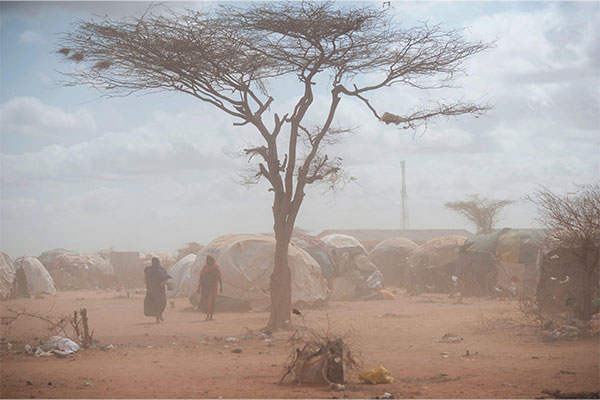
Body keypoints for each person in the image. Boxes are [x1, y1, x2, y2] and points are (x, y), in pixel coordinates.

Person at [144, 257, 170, 323]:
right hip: (159, 291)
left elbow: (145, 279)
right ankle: (158, 317)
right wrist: (167, 279)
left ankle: (158, 316)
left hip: (151, 290)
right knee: (161, 304)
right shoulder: (160, 270)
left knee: (154, 304)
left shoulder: (148, 270)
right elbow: (163, 280)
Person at [197, 255, 223, 321]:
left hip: (213, 287)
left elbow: (219, 278)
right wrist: (198, 287)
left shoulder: (215, 268)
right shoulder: (205, 268)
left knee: (212, 301)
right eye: (207, 260)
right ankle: (207, 315)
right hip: (205, 287)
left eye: (210, 260)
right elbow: (201, 278)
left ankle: (211, 316)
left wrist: (221, 287)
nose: (208, 261)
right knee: (206, 301)